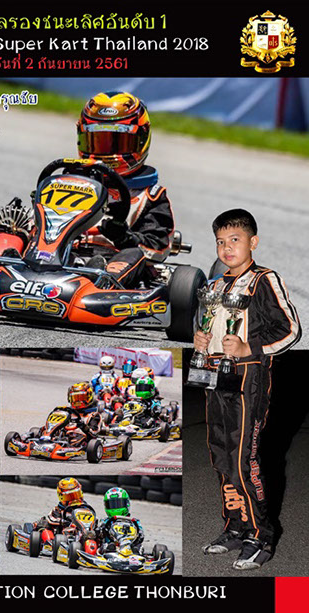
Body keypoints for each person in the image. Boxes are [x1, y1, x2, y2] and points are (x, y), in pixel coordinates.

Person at [194, 209, 301, 570]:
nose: (227, 248)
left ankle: (261, 535)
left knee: (243, 461)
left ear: (253, 242)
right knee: (220, 457)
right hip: (214, 377)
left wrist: (248, 348)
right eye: (220, 242)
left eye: (235, 240)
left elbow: (290, 330)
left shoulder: (264, 280)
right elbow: (208, 326)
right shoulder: (214, 286)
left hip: (247, 380)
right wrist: (200, 339)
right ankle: (235, 527)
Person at [76, 91, 175, 288]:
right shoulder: (72, 182)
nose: (107, 153)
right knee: (13, 234)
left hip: (115, 259)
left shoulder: (150, 196)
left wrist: (124, 237)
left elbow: (158, 247)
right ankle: (9, 268)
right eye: (98, 142)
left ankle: (103, 284)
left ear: (140, 140)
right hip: (63, 252)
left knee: (133, 253)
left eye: (117, 143)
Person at [97, 487, 144, 553]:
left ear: (127, 504)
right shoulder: (105, 521)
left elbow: (141, 536)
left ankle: (135, 552)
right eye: (112, 505)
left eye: (119, 504)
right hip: (111, 544)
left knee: (139, 547)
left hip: (130, 544)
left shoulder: (134, 521)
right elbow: (99, 534)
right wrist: (102, 530)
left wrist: (138, 535)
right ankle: (110, 550)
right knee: (107, 546)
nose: (116, 508)